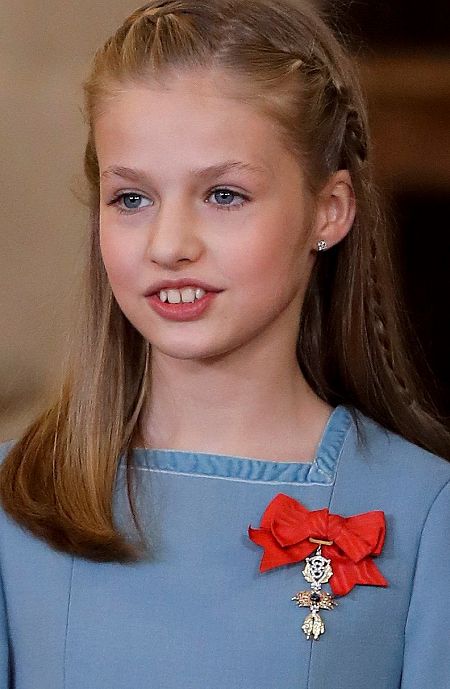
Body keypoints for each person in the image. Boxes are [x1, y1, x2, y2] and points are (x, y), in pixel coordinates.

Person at [0, 1, 449, 687]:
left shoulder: (423, 514)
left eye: (224, 194)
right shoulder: (13, 501)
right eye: (132, 198)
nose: (169, 244)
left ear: (328, 210)